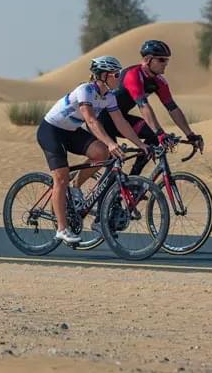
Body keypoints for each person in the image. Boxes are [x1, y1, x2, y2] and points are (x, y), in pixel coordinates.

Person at [36, 55, 150, 244]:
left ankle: (76, 187)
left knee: (101, 154)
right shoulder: (85, 90)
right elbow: (90, 120)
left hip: (71, 131)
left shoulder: (109, 96)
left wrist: (140, 144)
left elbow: (120, 122)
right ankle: (62, 230)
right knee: (61, 177)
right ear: (104, 75)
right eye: (116, 74)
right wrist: (111, 143)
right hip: (51, 131)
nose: (119, 78)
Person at [92, 39, 204, 178]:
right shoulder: (134, 75)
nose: (165, 64)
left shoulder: (159, 81)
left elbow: (172, 107)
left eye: (167, 61)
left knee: (152, 136)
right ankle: (82, 187)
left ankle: (134, 181)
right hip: (102, 119)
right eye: (162, 60)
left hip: (120, 119)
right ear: (148, 59)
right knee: (111, 160)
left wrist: (190, 134)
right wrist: (160, 132)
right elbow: (143, 105)